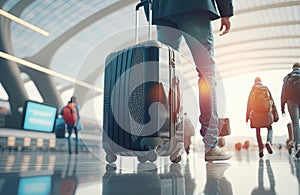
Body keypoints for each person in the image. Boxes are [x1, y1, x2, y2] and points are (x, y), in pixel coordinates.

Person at [143, 0, 233, 161]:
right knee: (206, 73)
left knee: (166, 74)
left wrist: (152, 8)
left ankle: (171, 141)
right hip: (194, 7)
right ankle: (210, 145)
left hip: (163, 10)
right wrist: (225, 11)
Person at [246, 77, 279, 158]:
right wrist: (275, 114)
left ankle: (261, 148)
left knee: (258, 131)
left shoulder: (252, 90)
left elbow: (249, 105)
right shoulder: (265, 89)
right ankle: (269, 141)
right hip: (266, 113)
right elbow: (272, 102)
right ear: (261, 81)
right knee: (270, 128)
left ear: (254, 82)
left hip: (256, 114)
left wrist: (247, 117)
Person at [281, 62, 300, 157]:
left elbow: (283, 92)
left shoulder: (287, 77)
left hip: (291, 101)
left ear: (293, 68)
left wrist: (282, 107)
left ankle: (298, 145)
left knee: (295, 123)